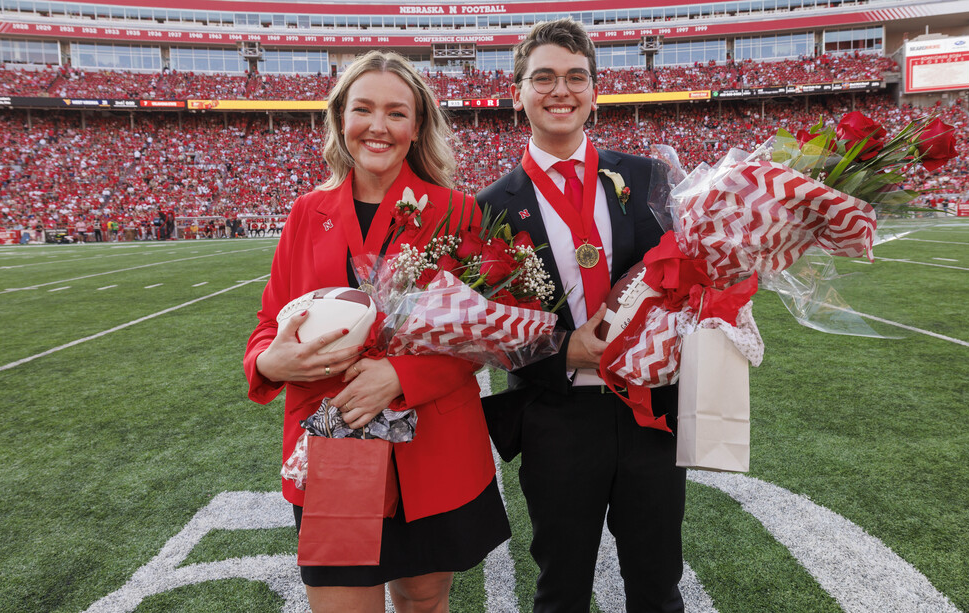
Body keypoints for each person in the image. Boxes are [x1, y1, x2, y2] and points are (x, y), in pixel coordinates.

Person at [244, 50, 509, 613]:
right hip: (334, 436)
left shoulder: (458, 212)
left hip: (432, 447)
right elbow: (269, 324)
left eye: (396, 112)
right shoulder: (305, 213)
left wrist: (400, 374)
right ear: (342, 118)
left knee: (423, 600)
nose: (378, 126)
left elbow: (484, 335)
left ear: (416, 128)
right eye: (363, 109)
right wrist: (268, 363)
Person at [477, 19, 686, 613]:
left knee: (656, 586)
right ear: (517, 91)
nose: (560, 90)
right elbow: (483, 329)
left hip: (651, 414)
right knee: (562, 589)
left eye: (575, 77)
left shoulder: (650, 177)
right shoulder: (488, 209)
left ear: (595, 90)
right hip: (555, 419)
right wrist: (563, 349)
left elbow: (690, 278)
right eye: (542, 77)